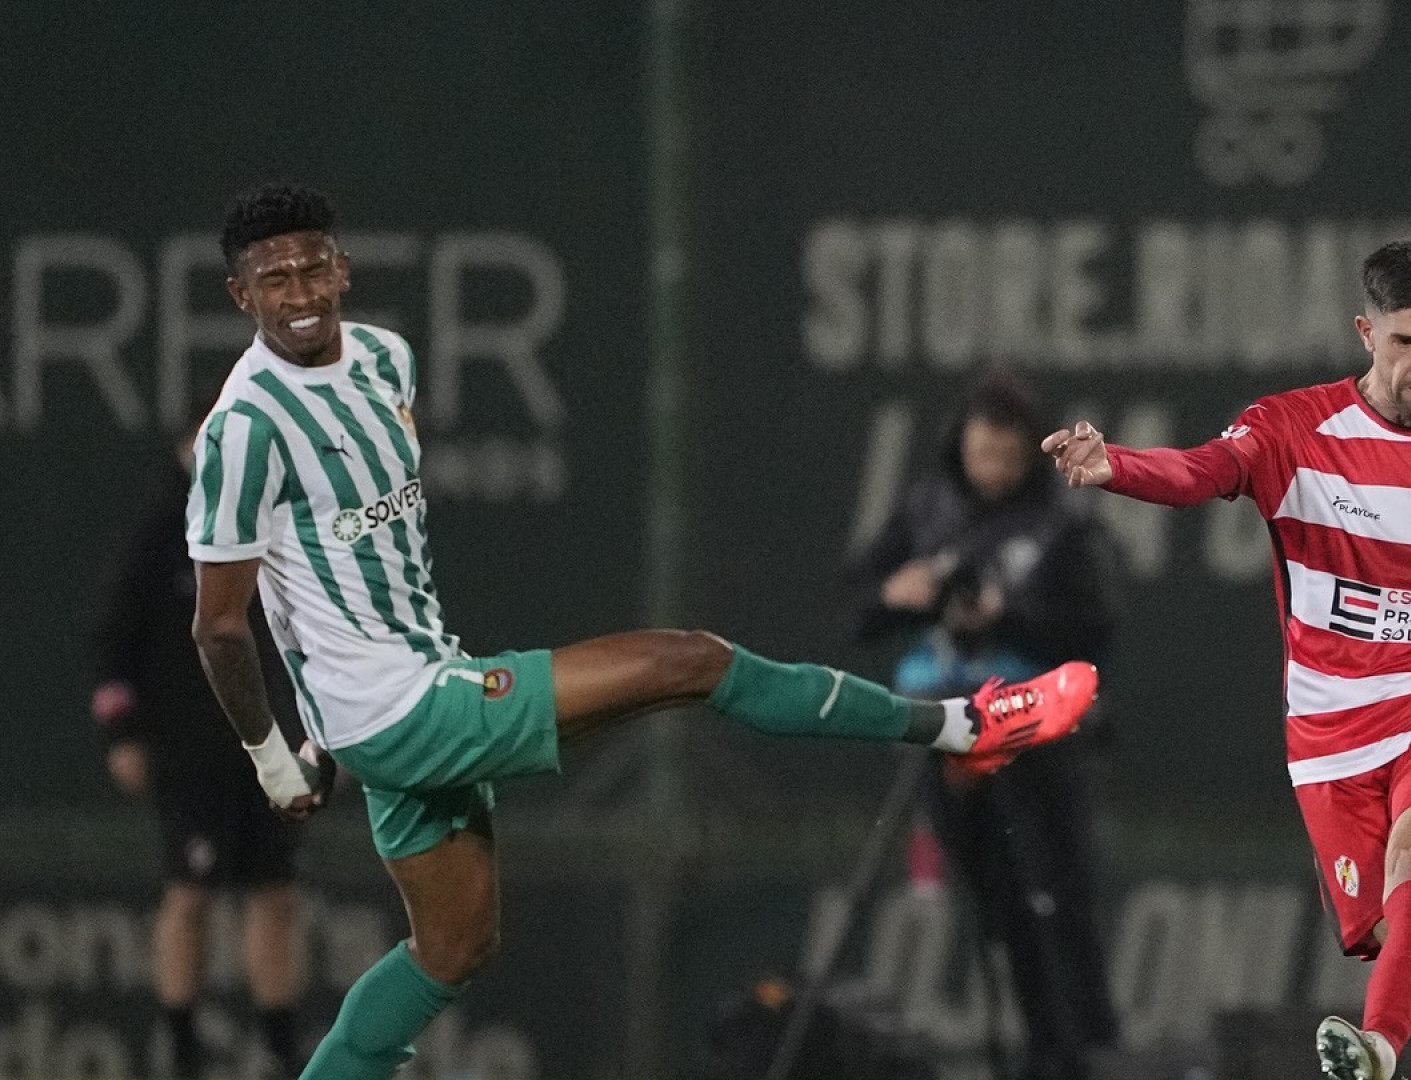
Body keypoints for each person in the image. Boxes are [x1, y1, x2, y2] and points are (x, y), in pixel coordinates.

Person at [189, 182, 1098, 1080]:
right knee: (691, 663)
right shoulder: (245, 427)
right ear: (242, 297)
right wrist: (278, 759)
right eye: (273, 281)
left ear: (342, 269)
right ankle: (966, 728)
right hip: (403, 712)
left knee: (453, 949)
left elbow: (333, 579)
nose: (299, 294)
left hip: (392, 698)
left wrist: (329, 727)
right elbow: (221, 626)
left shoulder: (386, 360)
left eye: (313, 270)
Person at [1041, 239, 1411, 1080]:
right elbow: (1203, 470)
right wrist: (1118, 468)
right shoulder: (1292, 430)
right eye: (1405, 342)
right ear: (1366, 332)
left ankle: (1378, 1052)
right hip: (1332, 736)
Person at [851, 372, 1122, 1080]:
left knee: (1053, 896)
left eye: (1007, 457)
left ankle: (1073, 1051)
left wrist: (1009, 614)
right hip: (947, 729)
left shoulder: (1060, 520)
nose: (993, 471)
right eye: (982, 455)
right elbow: (862, 604)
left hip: (1035, 738)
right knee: (989, 898)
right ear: (960, 447)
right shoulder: (930, 507)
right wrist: (897, 594)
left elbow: (1096, 628)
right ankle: (1027, 1047)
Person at [93, 420, 308, 1079]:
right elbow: (112, 645)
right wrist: (122, 734)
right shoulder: (163, 539)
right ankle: (182, 1048)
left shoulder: (280, 534)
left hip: (271, 751)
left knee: (274, 892)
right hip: (191, 755)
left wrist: (319, 738)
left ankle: (280, 1046)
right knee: (190, 892)